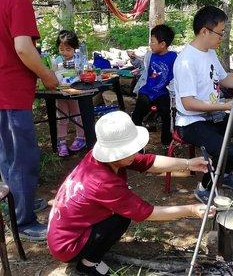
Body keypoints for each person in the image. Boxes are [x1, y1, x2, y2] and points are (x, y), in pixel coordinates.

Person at [47, 111, 215, 276]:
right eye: (130, 150)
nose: (135, 154)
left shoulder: (101, 159)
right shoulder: (102, 181)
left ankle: (91, 248)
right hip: (67, 245)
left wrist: (188, 163)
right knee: (120, 219)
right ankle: (87, 264)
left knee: (119, 215)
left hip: (65, 230)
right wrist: (192, 209)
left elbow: (148, 162)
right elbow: (146, 212)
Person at [173, 5, 233, 204]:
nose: (222, 37)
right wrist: (226, 106)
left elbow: (224, 80)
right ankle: (204, 188)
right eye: (220, 33)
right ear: (204, 31)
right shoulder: (186, 61)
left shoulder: (209, 52)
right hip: (190, 122)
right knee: (226, 149)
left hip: (213, 115)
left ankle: (224, 173)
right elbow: (188, 103)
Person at [0, 0, 59, 241]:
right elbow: (23, 48)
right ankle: (23, 221)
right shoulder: (19, 1)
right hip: (10, 92)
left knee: (7, 155)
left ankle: (17, 205)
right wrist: (47, 75)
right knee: (23, 157)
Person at [132, 24, 177, 146]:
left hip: (163, 92)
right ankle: (135, 141)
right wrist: (133, 59)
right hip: (147, 91)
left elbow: (176, 76)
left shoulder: (174, 57)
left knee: (166, 114)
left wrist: (173, 92)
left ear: (162, 44)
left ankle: (166, 141)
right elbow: (142, 68)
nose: (150, 44)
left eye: (152, 42)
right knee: (137, 114)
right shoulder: (149, 55)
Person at [55, 30, 86, 157]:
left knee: (77, 114)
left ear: (74, 48)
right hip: (61, 92)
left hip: (74, 91)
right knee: (61, 116)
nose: (64, 53)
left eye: (68, 49)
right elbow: (53, 73)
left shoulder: (79, 58)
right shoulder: (57, 60)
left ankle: (81, 137)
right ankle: (61, 141)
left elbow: (84, 71)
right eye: (61, 49)